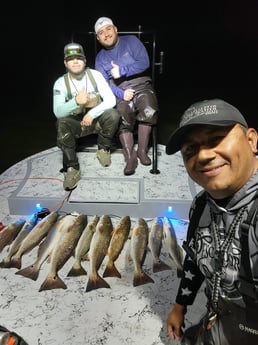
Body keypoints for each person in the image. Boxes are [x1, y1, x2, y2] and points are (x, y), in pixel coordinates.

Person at [165, 99, 258, 345]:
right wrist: (180, 305)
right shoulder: (201, 205)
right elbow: (196, 257)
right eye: (190, 149)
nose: (204, 155)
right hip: (219, 315)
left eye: (216, 139)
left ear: (251, 141)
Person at [94, 17, 159, 175]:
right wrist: (121, 93)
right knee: (122, 114)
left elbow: (144, 62)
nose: (106, 34)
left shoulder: (131, 41)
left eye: (108, 29)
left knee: (149, 107)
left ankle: (142, 151)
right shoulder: (100, 57)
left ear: (115, 29)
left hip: (142, 84)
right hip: (119, 90)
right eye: (101, 33)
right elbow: (104, 85)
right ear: (98, 38)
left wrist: (121, 70)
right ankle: (130, 157)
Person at [53, 42, 120, 191]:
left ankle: (103, 148)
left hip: (97, 123)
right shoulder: (60, 83)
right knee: (61, 123)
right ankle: (72, 168)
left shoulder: (95, 75)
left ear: (85, 61)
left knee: (113, 114)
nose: (75, 61)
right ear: (65, 62)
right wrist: (76, 102)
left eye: (79, 58)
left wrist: (91, 113)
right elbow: (58, 112)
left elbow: (111, 100)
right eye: (71, 59)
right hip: (78, 126)